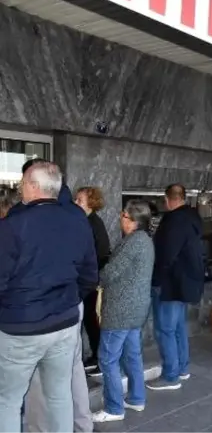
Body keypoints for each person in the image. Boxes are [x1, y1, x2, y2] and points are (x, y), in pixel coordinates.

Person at [0, 162, 98, 433]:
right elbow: (90, 274)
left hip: (21, 327)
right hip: (65, 322)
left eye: (23, 183)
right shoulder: (77, 218)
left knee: (7, 400)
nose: (21, 188)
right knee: (59, 395)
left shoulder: (12, 225)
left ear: (32, 186)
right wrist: (66, 299)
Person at [92, 200, 154, 423]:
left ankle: (114, 408)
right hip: (136, 309)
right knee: (132, 356)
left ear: (134, 220)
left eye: (123, 216)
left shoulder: (133, 242)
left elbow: (111, 273)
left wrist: (96, 277)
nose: (120, 219)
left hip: (121, 310)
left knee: (108, 359)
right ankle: (136, 398)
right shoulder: (145, 240)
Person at [147, 184, 205, 391]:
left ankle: (171, 376)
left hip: (170, 283)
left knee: (165, 330)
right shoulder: (192, 217)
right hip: (186, 283)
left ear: (167, 198)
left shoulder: (173, 220)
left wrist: (155, 277)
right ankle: (182, 368)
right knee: (178, 327)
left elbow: (166, 255)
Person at [74, 186, 112, 375]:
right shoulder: (88, 221)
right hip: (90, 278)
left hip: (91, 280)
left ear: (91, 202)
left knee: (92, 321)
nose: (76, 203)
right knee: (89, 320)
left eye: (80, 200)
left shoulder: (92, 223)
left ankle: (98, 358)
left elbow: (100, 252)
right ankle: (96, 357)